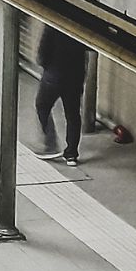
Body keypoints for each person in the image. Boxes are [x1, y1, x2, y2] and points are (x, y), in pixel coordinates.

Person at [35, 25, 92, 166]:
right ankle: (71, 154)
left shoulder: (53, 24)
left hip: (54, 76)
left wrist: (45, 66)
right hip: (75, 77)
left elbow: (42, 53)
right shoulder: (81, 26)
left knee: (42, 105)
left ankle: (50, 145)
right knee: (73, 114)